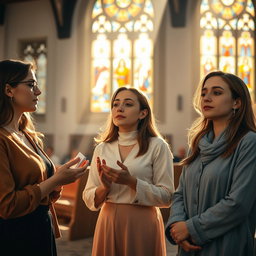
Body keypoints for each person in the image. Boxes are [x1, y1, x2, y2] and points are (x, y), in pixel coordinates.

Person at [0, 59, 89, 256]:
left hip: (40, 229)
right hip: (15, 236)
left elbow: (43, 190)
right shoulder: (2, 139)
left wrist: (59, 180)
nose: (38, 91)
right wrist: (56, 179)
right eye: (31, 85)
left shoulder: (29, 136)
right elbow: (7, 205)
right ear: (9, 90)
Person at [165, 71, 256, 255]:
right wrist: (177, 226)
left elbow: (238, 203)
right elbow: (180, 193)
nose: (206, 97)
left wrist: (191, 228)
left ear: (236, 102)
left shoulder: (248, 142)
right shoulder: (197, 144)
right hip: (188, 245)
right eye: (204, 93)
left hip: (228, 245)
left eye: (216, 92)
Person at [83, 87, 174, 256]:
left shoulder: (157, 146)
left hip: (142, 223)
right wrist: (104, 188)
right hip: (108, 220)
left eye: (128, 104)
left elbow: (167, 197)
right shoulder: (102, 148)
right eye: (115, 104)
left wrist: (131, 182)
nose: (119, 108)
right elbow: (88, 196)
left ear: (143, 113)